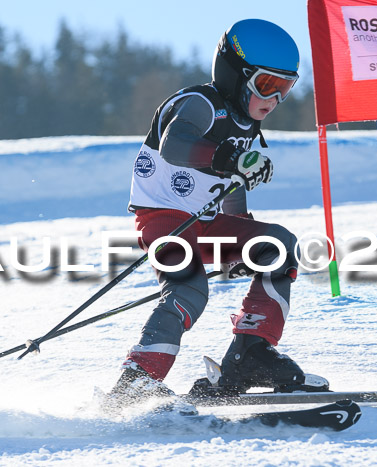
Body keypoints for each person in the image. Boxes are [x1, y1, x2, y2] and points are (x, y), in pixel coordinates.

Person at [108, 19, 328, 403]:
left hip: (206, 223)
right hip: (164, 222)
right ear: (235, 74)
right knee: (189, 290)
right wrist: (230, 157)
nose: (274, 100)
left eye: (284, 89)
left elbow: (232, 189)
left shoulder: (246, 127)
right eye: (266, 86)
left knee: (276, 246)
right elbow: (175, 145)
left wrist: (243, 235)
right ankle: (137, 380)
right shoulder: (200, 103)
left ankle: (250, 356)